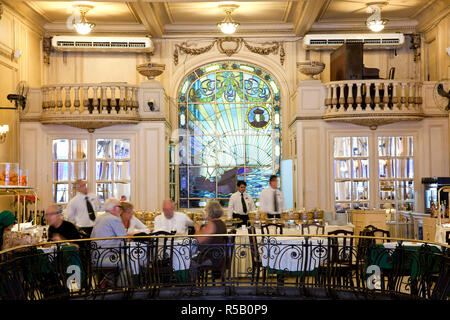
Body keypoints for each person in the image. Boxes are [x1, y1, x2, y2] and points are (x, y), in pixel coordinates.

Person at [90, 198, 129, 287]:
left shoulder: (100, 218)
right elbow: (125, 239)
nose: (121, 209)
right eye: (120, 207)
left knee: (124, 257)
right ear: (115, 208)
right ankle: (122, 288)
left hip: (96, 256)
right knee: (130, 260)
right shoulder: (114, 219)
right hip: (105, 257)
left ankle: (107, 281)